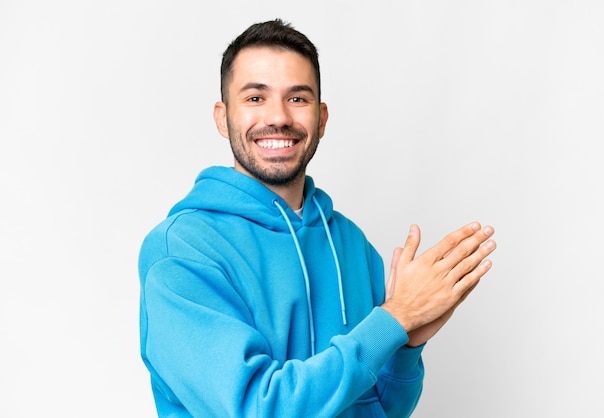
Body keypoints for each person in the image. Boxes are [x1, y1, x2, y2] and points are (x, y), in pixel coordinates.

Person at [138, 18, 496, 418]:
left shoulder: (350, 243)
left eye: (298, 98)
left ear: (322, 119)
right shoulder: (182, 250)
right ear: (223, 118)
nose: (279, 117)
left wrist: (407, 346)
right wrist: (396, 316)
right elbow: (259, 409)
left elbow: (381, 409)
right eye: (255, 98)